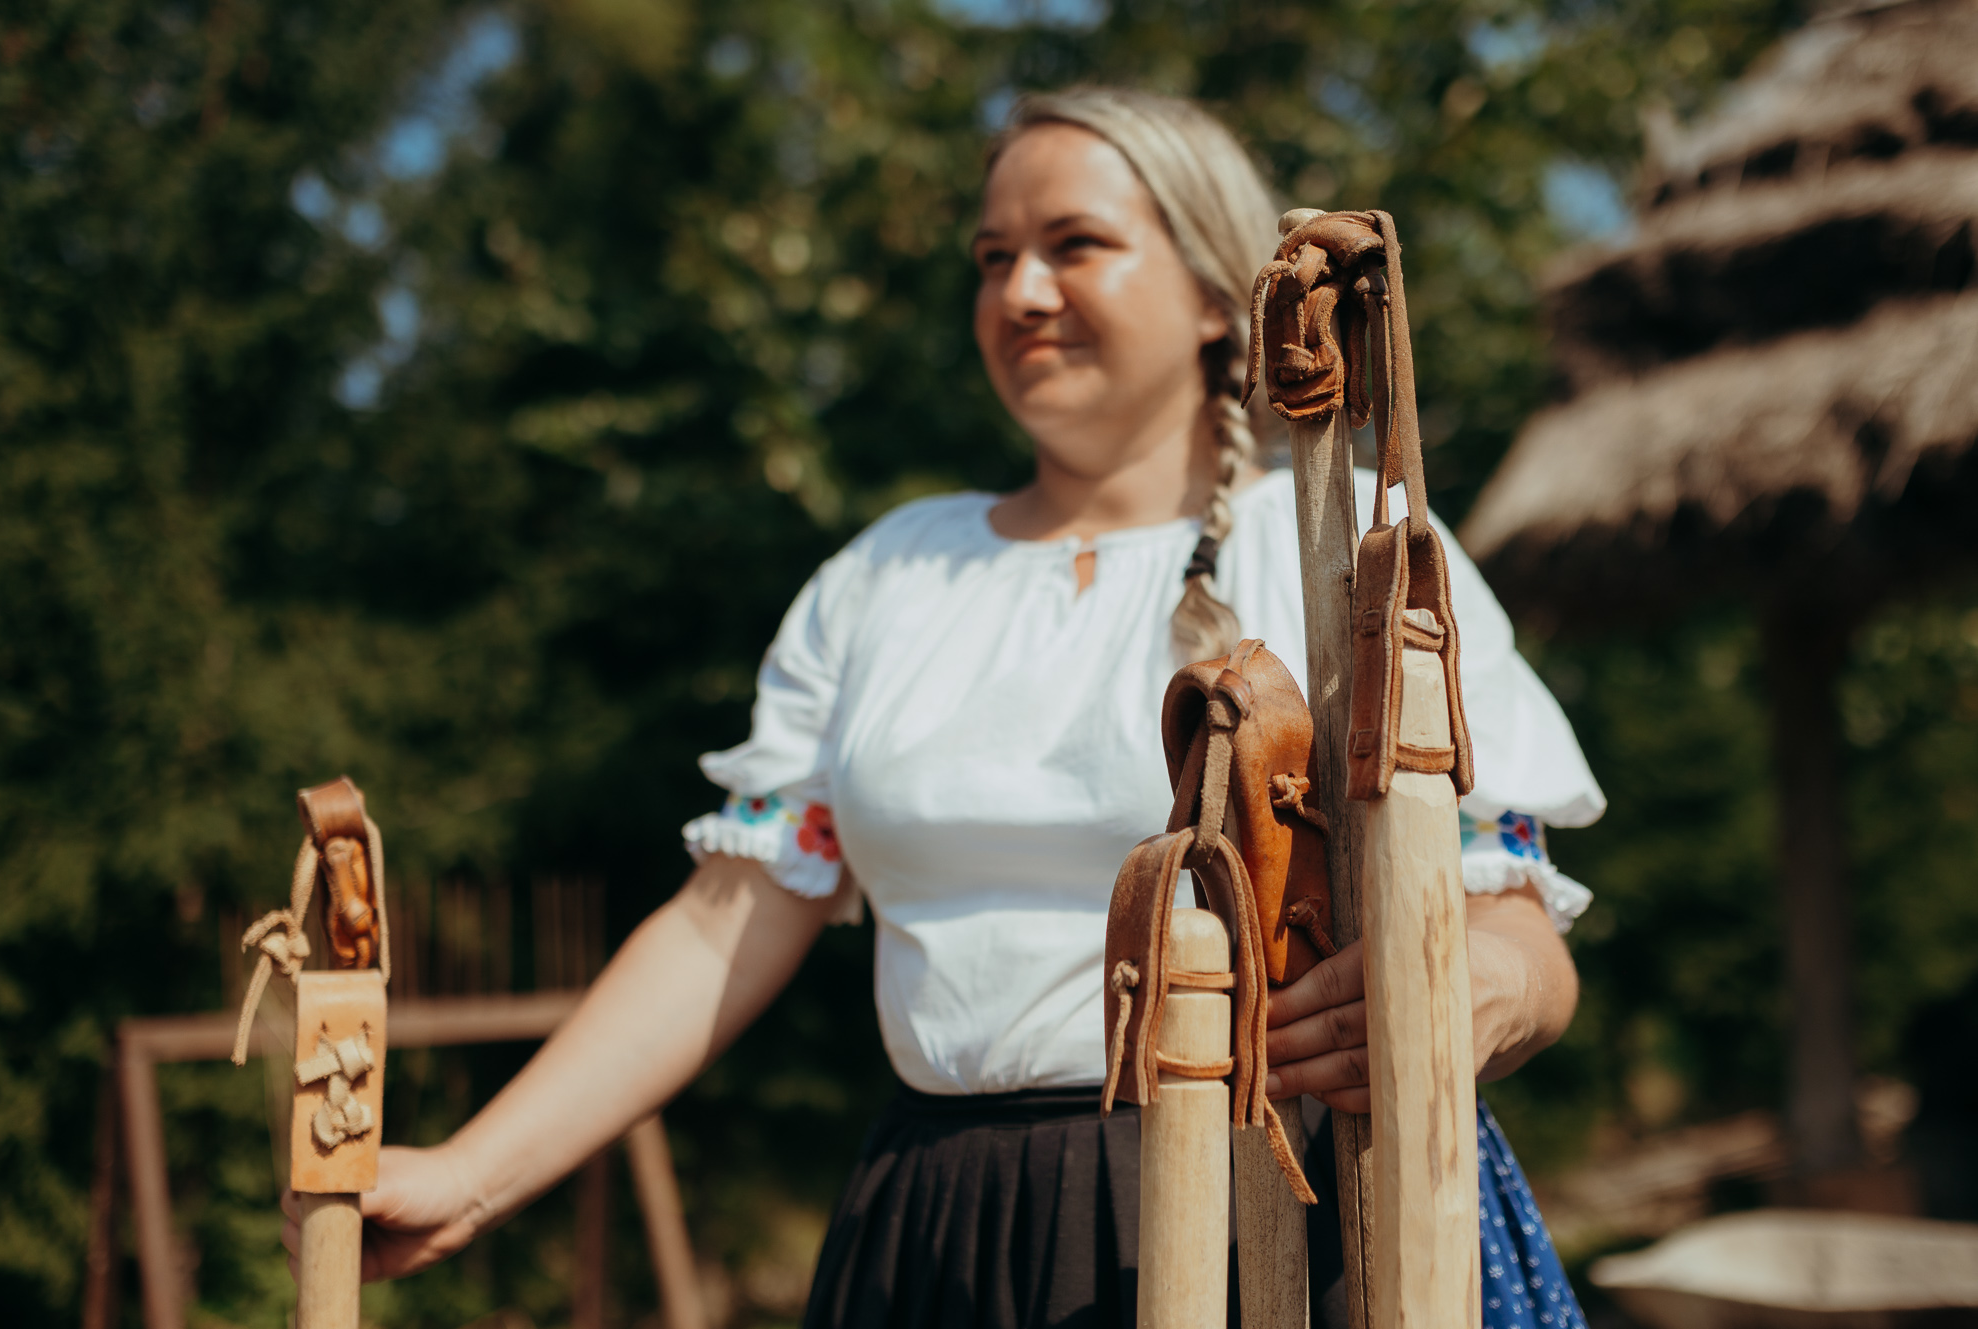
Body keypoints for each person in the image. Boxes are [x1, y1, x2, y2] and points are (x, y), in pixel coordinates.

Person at [282, 87, 1606, 1329]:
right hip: (942, 1230)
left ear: (1215, 293)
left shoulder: (1336, 546)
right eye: (990, 257)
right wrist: (467, 1177)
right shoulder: (885, 577)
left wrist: (1453, 999)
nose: (1021, 293)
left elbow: (1513, 921)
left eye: (1074, 244)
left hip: (1272, 1214)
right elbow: (727, 920)